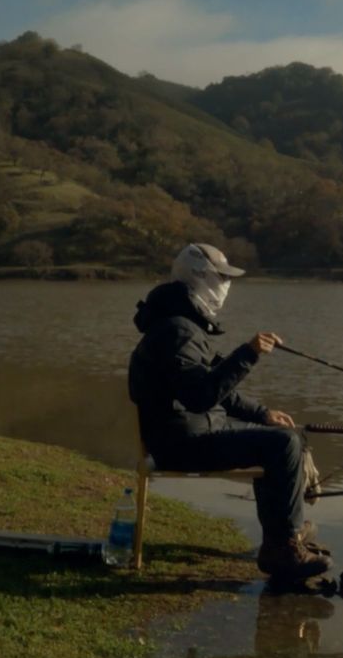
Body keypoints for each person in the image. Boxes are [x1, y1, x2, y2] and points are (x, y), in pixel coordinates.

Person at [127, 243, 329, 582]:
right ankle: (283, 547)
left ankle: (282, 536)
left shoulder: (181, 323)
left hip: (191, 433)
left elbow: (215, 389)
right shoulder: (177, 330)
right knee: (283, 446)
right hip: (181, 444)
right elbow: (200, 396)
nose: (226, 284)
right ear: (200, 277)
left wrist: (263, 413)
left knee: (281, 437)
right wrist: (248, 354)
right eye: (221, 277)